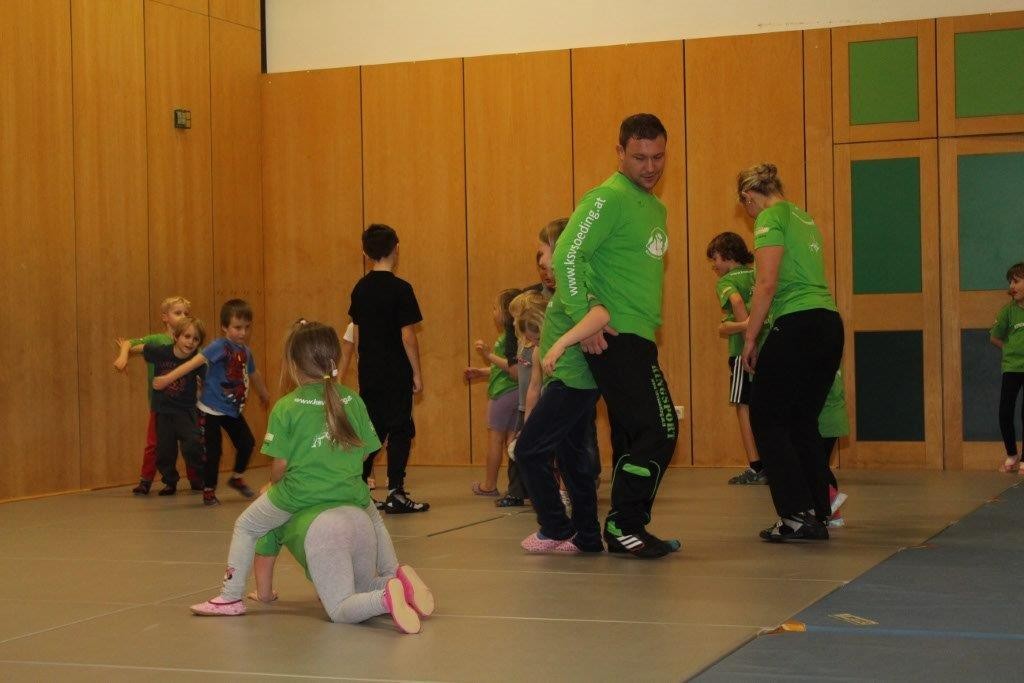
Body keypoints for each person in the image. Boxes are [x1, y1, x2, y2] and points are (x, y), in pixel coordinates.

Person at [189, 321, 382, 616]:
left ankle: (230, 597)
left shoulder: (286, 406)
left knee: (247, 525)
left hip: (299, 493)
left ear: (293, 364)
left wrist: (273, 484)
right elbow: (368, 450)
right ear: (334, 358)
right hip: (349, 491)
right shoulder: (352, 399)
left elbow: (280, 466)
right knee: (375, 523)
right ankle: (389, 575)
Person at [551, 113, 679, 558]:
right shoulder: (608, 198)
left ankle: (627, 529)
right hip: (615, 334)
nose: (650, 166)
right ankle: (625, 522)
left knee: (631, 434)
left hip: (640, 334)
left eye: (658, 157)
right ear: (620, 152)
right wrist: (585, 315)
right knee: (661, 428)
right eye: (640, 157)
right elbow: (567, 254)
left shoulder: (655, 207)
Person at [737, 162, 844, 543]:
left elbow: (766, 283)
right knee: (802, 421)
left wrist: (751, 338)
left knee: (766, 417)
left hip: (797, 323)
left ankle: (795, 516)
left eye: (746, 208)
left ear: (748, 196)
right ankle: (817, 511)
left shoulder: (769, 218)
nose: (750, 216)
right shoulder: (804, 217)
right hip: (828, 323)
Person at [151, 299, 271, 506]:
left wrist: (263, 393)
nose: (243, 333)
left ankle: (236, 477)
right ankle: (208, 489)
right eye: (237, 327)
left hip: (231, 410)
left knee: (247, 443)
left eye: (247, 327)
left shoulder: (245, 351)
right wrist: (166, 379)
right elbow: (191, 364)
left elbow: (254, 373)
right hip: (210, 409)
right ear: (224, 327)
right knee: (213, 452)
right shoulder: (219, 347)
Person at [514, 286, 605, 553]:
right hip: (579, 386)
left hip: (570, 385)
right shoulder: (564, 297)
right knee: (572, 460)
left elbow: (600, 316)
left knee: (527, 451)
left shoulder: (571, 290)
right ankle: (587, 534)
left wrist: (561, 344)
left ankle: (556, 525)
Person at [250, 502, 434, 634]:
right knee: (362, 587)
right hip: (358, 519)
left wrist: (264, 595)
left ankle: (384, 598)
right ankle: (402, 585)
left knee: (339, 609)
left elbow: (264, 561)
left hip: (326, 530)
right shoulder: (307, 484)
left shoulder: (270, 515)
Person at [348, 224, 428, 513]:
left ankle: (358, 489)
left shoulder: (360, 288)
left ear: (365, 252)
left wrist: (363, 363)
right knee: (400, 429)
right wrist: (416, 372)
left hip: (370, 371)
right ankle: (396, 491)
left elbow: (356, 333)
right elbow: (407, 336)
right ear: (396, 248)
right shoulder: (401, 289)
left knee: (372, 429)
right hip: (396, 371)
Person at [113, 295, 201, 495]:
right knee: (156, 443)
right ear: (165, 317)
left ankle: (196, 477)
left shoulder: (191, 342)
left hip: (185, 405)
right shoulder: (157, 341)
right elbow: (129, 344)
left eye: (186, 313)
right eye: (177, 313)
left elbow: (200, 365)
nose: (183, 316)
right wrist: (123, 356)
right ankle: (146, 479)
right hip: (161, 405)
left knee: (190, 442)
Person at [706, 232, 765, 485]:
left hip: (744, 353)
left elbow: (737, 301)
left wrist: (746, 331)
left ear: (728, 256)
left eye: (715, 259)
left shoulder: (727, 281)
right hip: (767, 347)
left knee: (743, 405)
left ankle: (756, 466)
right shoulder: (756, 274)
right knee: (765, 406)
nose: (714, 265)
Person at [137, 317, 207, 496]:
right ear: (176, 336)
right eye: (187, 336)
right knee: (164, 451)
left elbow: (208, 380)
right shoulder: (162, 352)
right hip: (163, 411)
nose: (190, 342)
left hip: (186, 411)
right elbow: (142, 348)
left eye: (196, 339)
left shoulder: (196, 360)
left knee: (192, 444)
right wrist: (124, 352)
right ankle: (170, 481)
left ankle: (199, 477)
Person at [465, 288, 522, 496]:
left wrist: (489, 355)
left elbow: (513, 369)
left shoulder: (508, 339)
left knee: (495, 440)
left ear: (507, 313)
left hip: (503, 395)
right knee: (513, 442)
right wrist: (481, 372)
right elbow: (504, 367)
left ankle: (489, 485)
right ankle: (520, 486)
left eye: (495, 308)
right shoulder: (515, 337)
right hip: (517, 393)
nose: (493, 312)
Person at [495, 290, 548, 508]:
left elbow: (538, 382)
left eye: (517, 315)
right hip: (523, 404)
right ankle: (516, 491)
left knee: (540, 451)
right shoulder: (521, 341)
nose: (514, 321)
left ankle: (543, 492)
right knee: (516, 449)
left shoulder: (539, 345)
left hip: (537, 405)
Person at [990, 262, 1024, 473]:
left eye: (1016, 281)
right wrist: (1010, 350)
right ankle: (1011, 454)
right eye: (1010, 282)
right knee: (1005, 411)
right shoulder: (1007, 312)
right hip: (1012, 368)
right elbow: (995, 337)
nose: (1012, 286)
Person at [818, 370, 850, 527]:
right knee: (821, 466)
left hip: (825, 420)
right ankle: (832, 512)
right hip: (833, 418)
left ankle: (830, 505)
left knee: (816, 467)